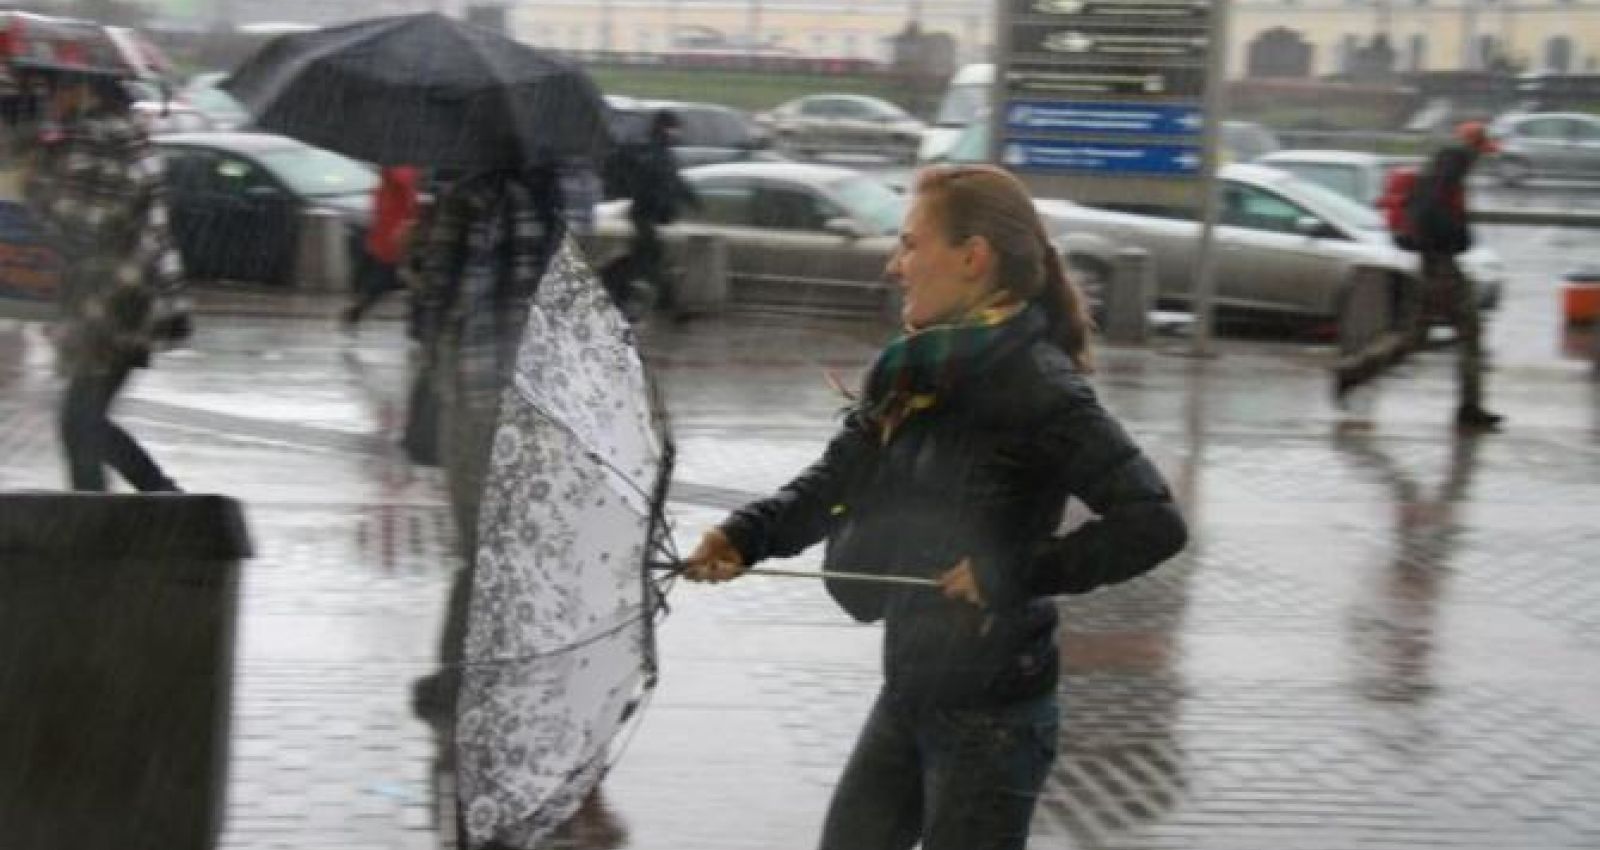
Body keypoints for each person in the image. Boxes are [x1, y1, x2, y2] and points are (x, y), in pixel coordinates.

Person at [682, 164, 1189, 850]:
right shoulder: (914, 371)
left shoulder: (1040, 387)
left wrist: (1007, 570)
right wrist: (745, 536)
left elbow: (1153, 522)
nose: (895, 266)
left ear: (972, 258)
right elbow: (838, 478)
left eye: (911, 244)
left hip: (993, 718)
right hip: (910, 687)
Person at [25, 73, 186, 492]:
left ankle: (119, 508)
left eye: (55, 89)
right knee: (85, 421)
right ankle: (151, 498)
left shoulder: (94, 136)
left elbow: (85, 222)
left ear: (83, 89)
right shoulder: (129, 133)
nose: (50, 99)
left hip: (111, 302)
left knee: (80, 421)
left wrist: (35, 186)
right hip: (133, 297)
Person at [1412, 121, 1502, 431]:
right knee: (1468, 330)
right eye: (1481, 151)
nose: (1481, 160)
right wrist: (1455, 239)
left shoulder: (1446, 167)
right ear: (1472, 146)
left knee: (1416, 336)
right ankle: (1469, 408)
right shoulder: (1451, 166)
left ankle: (1470, 407)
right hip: (1440, 263)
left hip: (1437, 261)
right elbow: (1433, 214)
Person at [613, 110, 696, 315]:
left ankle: (657, 301)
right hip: (646, 213)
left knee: (645, 258)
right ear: (666, 128)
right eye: (675, 129)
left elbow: (674, 181)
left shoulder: (658, 151)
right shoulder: (655, 153)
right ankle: (668, 304)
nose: (678, 134)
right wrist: (688, 200)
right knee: (649, 259)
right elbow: (667, 182)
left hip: (648, 214)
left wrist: (690, 199)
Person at [342, 164, 420, 330]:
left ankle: (358, 310)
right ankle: (358, 310)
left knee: (384, 280)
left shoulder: (394, 176)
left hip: (390, 240)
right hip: (388, 240)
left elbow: (404, 203)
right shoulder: (391, 179)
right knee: (384, 279)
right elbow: (405, 206)